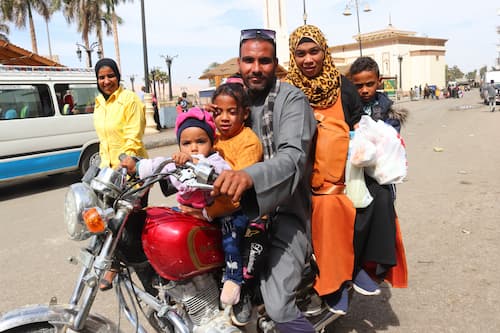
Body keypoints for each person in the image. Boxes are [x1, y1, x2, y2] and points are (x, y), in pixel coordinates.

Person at [209, 28, 317, 333]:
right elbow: (201, 138)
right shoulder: (232, 101)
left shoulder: (291, 100)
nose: (256, 68)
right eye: (249, 60)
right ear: (239, 63)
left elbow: (293, 157)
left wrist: (248, 176)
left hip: (285, 211)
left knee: (278, 304)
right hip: (233, 208)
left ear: (275, 63)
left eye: (264, 61)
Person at [286, 24, 362, 316]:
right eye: (301, 53)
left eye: (314, 51)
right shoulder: (287, 91)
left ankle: (336, 282)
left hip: (341, 175)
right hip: (300, 176)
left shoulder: (344, 88)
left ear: (324, 51)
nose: (308, 59)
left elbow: (359, 132)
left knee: (331, 204)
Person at [348, 55, 408, 296]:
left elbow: (388, 145)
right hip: (352, 171)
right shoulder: (346, 105)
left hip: (378, 175)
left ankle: (372, 266)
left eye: (369, 84)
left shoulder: (388, 111)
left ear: (379, 81)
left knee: (379, 203)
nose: (364, 90)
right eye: (358, 85)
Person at [206, 83, 265, 313]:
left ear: (245, 113)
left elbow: (236, 192)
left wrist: (209, 211)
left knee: (232, 239)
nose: (224, 118)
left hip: (238, 208)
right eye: (218, 112)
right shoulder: (215, 138)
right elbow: (194, 140)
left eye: (231, 111)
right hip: (213, 203)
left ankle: (238, 285)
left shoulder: (248, 141)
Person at [93, 58, 148, 290]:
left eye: (110, 76)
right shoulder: (99, 102)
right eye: (101, 77)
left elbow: (132, 138)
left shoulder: (130, 100)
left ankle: (150, 278)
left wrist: (120, 166)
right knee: (109, 222)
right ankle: (114, 265)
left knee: (132, 225)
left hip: (130, 171)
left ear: (118, 75)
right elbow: (104, 139)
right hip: (107, 172)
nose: (106, 81)